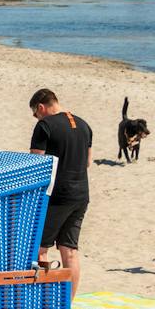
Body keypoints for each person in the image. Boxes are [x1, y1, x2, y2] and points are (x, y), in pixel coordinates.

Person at [28, 88, 92, 274]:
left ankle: (41, 292)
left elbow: (37, 164)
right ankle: (70, 294)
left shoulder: (45, 125)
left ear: (41, 107)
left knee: (40, 249)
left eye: (35, 113)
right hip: (81, 194)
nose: (36, 117)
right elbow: (88, 162)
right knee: (70, 251)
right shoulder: (84, 125)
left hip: (57, 196)